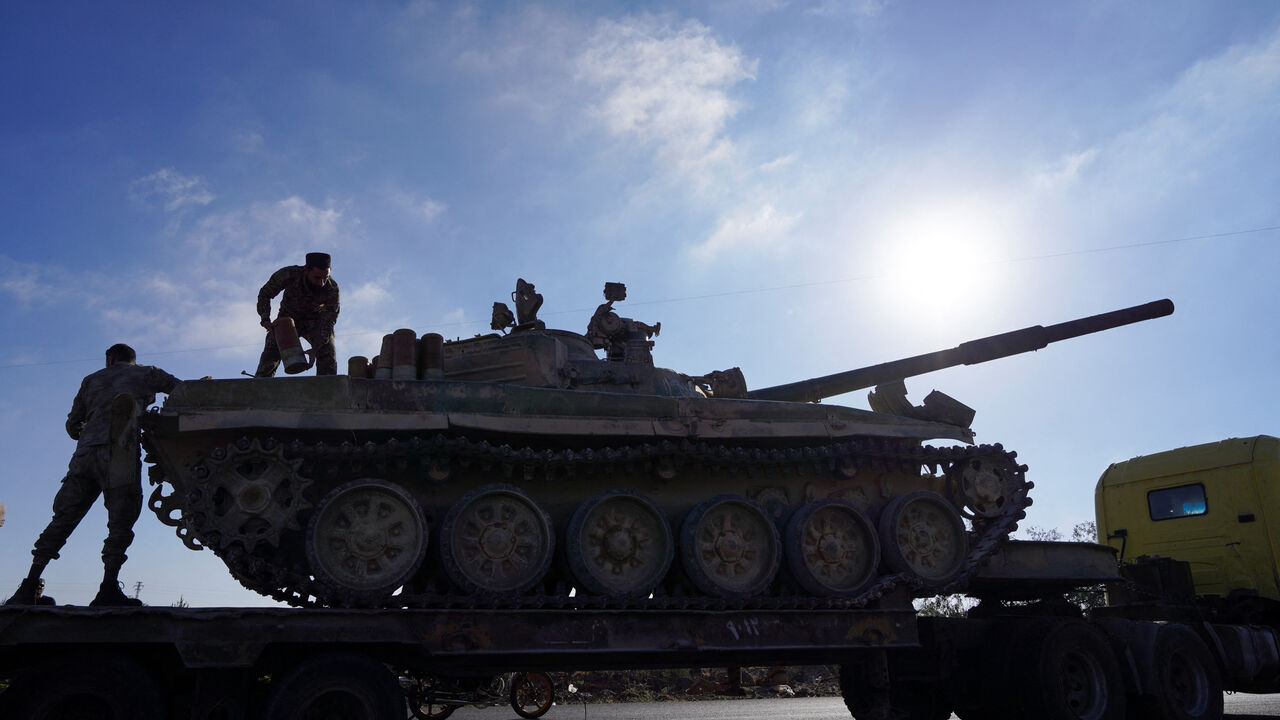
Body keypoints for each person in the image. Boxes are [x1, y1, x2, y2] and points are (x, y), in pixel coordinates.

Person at [4, 344, 180, 607]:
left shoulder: (91, 379)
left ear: (110, 359)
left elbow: (73, 424)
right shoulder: (148, 374)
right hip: (120, 453)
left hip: (84, 457)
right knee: (120, 524)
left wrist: (87, 433)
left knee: (62, 520)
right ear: (132, 360)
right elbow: (182, 391)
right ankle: (108, 588)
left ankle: (28, 585)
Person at [254, 252, 340, 377]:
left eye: (325, 277)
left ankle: (327, 389)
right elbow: (265, 294)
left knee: (327, 351)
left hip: (315, 322)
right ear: (306, 270)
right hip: (287, 320)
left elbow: (329, 320)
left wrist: (316, 348)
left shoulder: (332, 289)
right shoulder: (289, 274)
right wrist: (265, 319)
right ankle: (260, 386)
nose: (321, 283)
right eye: (317, 278)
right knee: (271, 353)